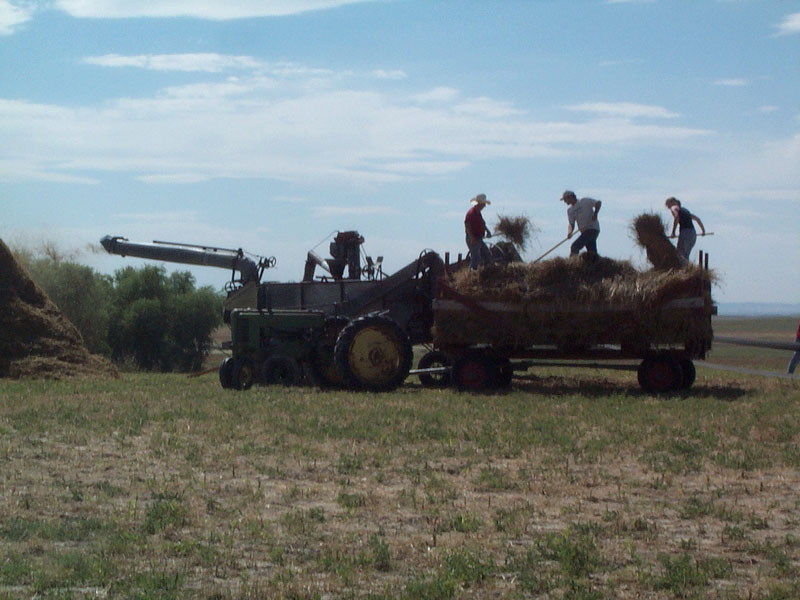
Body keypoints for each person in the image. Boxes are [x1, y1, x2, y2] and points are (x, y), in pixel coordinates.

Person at [560, 190, 601, 258]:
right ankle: (596, 266)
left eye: (565, 199)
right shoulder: (570, 211)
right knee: (592, 253)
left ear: (570, 197)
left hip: (592, 229)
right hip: (584, 231)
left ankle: (572, 264)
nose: (565, 202)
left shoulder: (584, 201)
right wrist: (570, 232)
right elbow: (571, 224)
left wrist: (595, 213)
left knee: (575, 246)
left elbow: (598, 203)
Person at [665, 197, 705, 263]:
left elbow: (676, 217)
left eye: (668, 204)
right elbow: (697, 219)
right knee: (685, 255)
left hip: (685, 233)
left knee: (680, 255)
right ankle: (687, 269)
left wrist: (673, 232)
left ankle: (683, 271)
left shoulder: (674, 207)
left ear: (673, 202)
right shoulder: (685, 211)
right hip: (693, 234)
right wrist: (703, 230)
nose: (668, 207)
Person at [464, 193, 492, 270]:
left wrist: (487, 231)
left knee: (487, 254)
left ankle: (487, 271)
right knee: (475, 257)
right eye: (483, 204)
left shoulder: (478, 214)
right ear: (479, 204)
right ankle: (472, 274)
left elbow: (482, 223)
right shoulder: (471, 213)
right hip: (472, 238)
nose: (484, 206)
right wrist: (472, 238)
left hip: (478, 238)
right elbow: (467, 226)